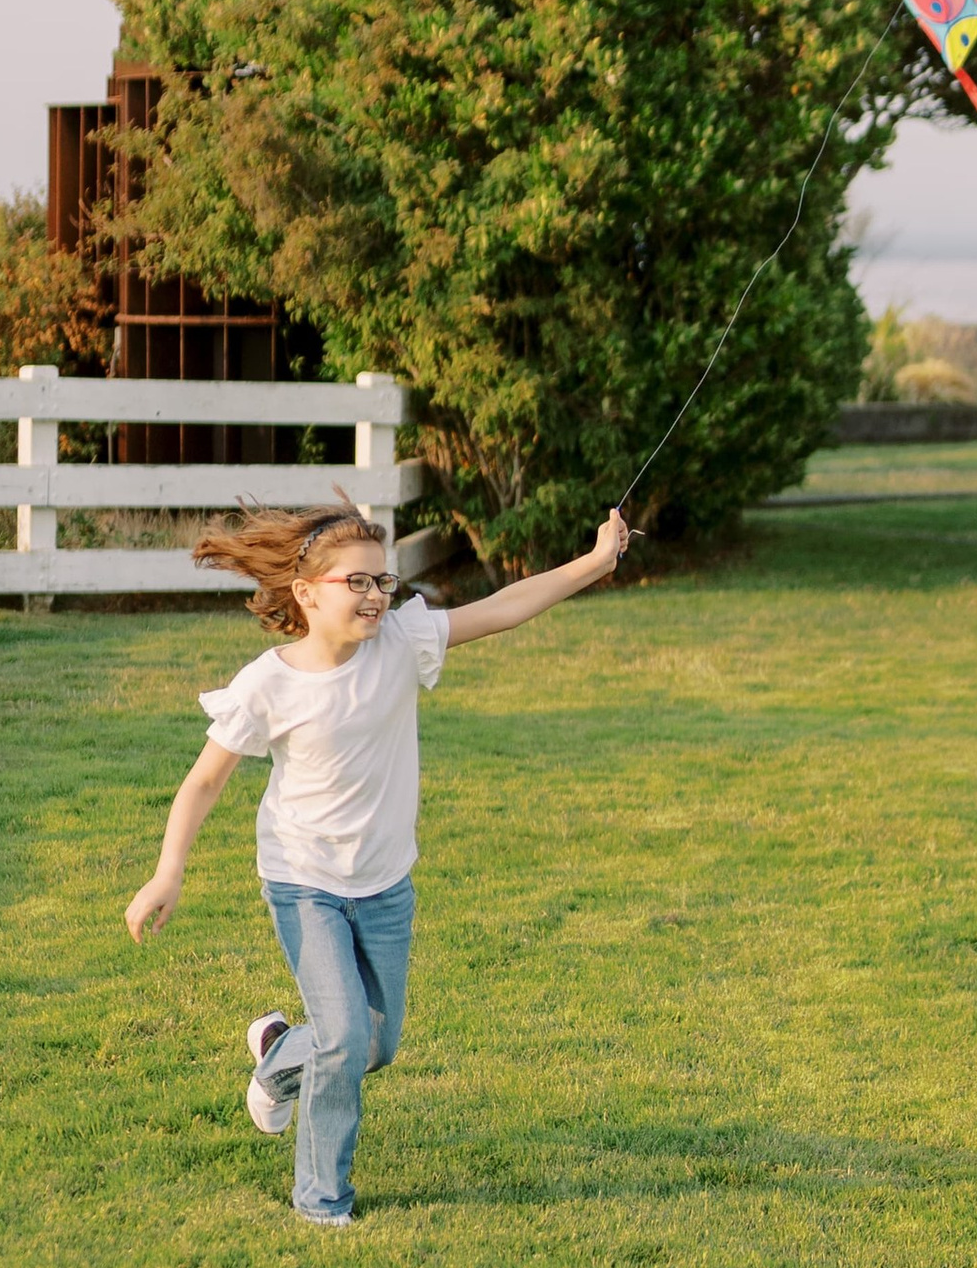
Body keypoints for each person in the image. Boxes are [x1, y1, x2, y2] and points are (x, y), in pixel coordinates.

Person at [123, 498, 630, 1226]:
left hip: (386, 883)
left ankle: (276, 1056)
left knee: (374, 1044)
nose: (372, 595)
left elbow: (505, 607)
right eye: (354, 583)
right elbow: (204, 780)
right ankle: (322, 1200)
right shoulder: (270, 683)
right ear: (305, 593)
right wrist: (169, 869)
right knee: (345, 1037)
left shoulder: (402, 640)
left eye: (380, 581)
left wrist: (594, 560)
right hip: (304, 883)